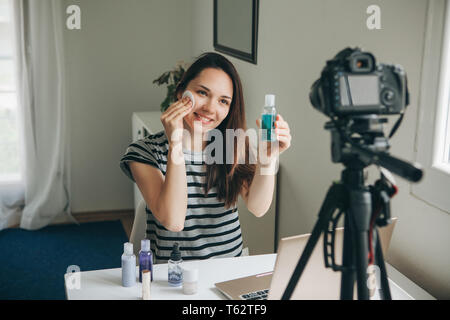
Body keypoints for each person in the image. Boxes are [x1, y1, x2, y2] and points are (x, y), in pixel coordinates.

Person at [119, 52, 291, 263]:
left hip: (228, 271)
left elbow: (258, 208)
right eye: (202, 92)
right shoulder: (144, 152)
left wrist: (268, 158)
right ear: (181, 91)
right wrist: (175, 144)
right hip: (173, 276)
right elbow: (174, 221)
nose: (210, 108)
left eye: (223, 101)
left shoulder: (232, 145)